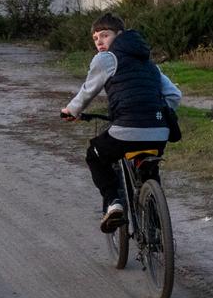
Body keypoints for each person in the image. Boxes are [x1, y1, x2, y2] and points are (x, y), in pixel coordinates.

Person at [61, 13, 182, 232]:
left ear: (119, 35)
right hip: (159, 130)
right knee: (149, 169)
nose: (99, 41)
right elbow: (174, 96)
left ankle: (113, 203)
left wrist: (71, 110)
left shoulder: (107, 58)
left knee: (95, 156)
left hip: (126, 129)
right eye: (95, 38)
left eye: (104, 35)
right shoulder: (150, 64)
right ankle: (156, 228)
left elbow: (88, 90)